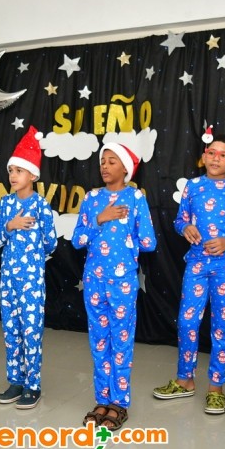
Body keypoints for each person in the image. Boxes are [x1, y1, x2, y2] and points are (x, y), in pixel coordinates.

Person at [153, 129, 225, 415]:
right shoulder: (193, 185)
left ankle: (216, 388)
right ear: (203, 156)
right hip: (197, 263)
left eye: (223, 155)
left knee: (221, 325)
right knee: (187, 322)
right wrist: (185, 227)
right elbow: (180, 220)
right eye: (212, 153)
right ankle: (185, 380)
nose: (216, 158)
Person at [72, 142, 156, 431]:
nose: (105, 166)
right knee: (99, 341)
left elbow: (149, 242)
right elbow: (77, 240)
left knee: (121, 341)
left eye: (111, 161)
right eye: (102, 161)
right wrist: (101, 219)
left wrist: (128, 238)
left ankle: (119, 403)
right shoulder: (92, 198)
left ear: (125, 168)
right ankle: (102, 400)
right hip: (94, 281)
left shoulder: (135, 198)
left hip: (122, 283)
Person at [0, 127, 58, 409]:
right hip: (7, 280)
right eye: (11, 170)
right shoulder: (5, 204)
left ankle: (33, 385)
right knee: (11, 331)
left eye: (19, 170)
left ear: (33, 175)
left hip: (32, 280)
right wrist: (10, 225)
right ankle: (15, 381)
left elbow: (51, 243)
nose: (13, 175)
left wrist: (33, 262)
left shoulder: (41, 205)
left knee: (31, 332)